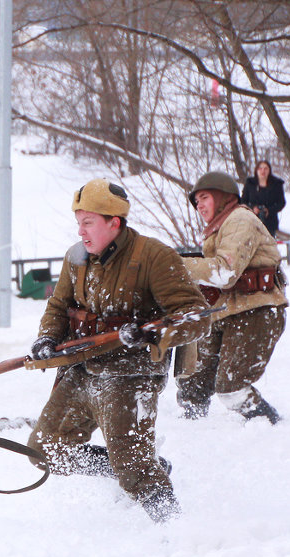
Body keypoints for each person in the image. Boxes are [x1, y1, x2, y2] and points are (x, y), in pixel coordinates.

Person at [25, 179, 209, 523]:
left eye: (88, 222)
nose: (81, 231)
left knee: (135, 471)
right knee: (43, 450)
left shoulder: (154, 257)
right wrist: (46, 339)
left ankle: (176, 528)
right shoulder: (76, 258)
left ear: (114, 222)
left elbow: (196, 319)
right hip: (81, 371)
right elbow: (58, 306)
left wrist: (148, 336)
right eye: (78, 222)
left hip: (131, 377)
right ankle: (131, 467)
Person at [175, 171, 288, 423]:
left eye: (204, 198)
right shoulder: (218, 229)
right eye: (196, 202)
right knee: (192, 384)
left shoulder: (240, 219)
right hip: (225, 312)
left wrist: (175, 265)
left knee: (231, 388)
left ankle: (272, 428)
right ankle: (192, 433)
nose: (199, 205)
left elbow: (225, 272)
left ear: (224, 197)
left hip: (258, 310)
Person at [240, 160, 285, 237]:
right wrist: (252, 208)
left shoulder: (276, 184)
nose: (263, 171)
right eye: (260, 168)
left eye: (265, 168)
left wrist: (269, 210)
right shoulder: (250, 183)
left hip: (270, 222)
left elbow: (281, 203)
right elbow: (242, 201)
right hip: (252, 221)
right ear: (256, 170)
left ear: (269, 170)